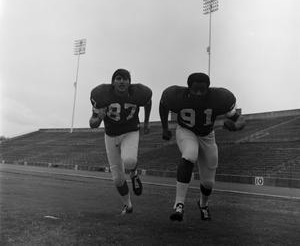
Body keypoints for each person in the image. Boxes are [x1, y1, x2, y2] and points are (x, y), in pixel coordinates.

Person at [159, 72, 245, 222]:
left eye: (202, 90)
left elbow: (240, 119)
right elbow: (163, 106)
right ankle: (179, 205)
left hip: (207, 135)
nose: (198, 93)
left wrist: (235, 127)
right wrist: (164, 127)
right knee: (190, 154)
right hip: (186, 130)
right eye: (195, 90)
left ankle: (203, 205)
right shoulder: (176, 96)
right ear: (188, 88)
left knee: (208, 182)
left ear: (208, 89)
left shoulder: (219, 98)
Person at [89, 68, 152, 215]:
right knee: (117, 179)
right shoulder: (102, 95)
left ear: (130, 82)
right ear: (113, 82)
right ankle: (128, 205)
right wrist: (99, 118)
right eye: (118, 78)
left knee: (129, 160)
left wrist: (147, 122)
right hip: (110, 135)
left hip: (130, 131)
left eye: (125, 78)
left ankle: (134, 173)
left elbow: (148, 102)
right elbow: (93, 123)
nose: (122, 81)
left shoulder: (139, 93)